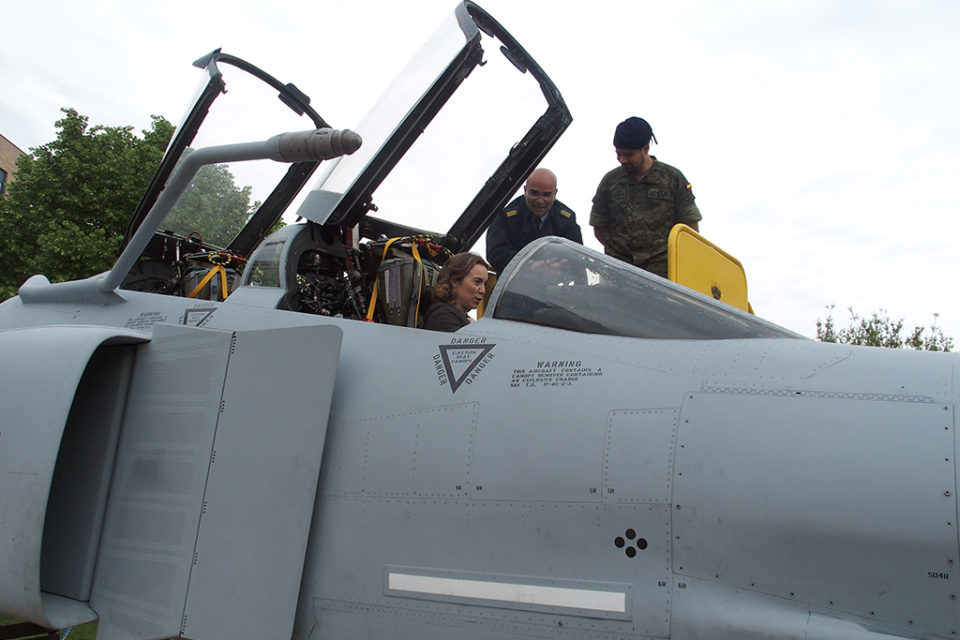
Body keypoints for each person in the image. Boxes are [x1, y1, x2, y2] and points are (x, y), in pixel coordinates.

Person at [589, 117, 702, 278]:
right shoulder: (610, 182)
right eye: (618, 154)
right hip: (619, 271)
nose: (622, 160)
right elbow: (599, 226)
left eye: (628, 155)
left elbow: (690, 229)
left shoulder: (672, 178)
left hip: (664, 273)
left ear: (646, 148)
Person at [485, 168, 583, 274]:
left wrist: (559, 267)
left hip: (557, 282)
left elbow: (577, 257)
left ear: (555, 193)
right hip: (515, 283)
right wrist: (528, 265)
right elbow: (496, 254)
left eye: (546, 195)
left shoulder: (566, 219)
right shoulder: (507, 217)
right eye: (534, 193)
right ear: (525, 190)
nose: (540, 200)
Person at [423, 252, 489, 332]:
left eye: (485, 284)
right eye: (477, 282)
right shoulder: (442, 317)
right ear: (455, 281)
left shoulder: (463, 319)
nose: (483, 291)